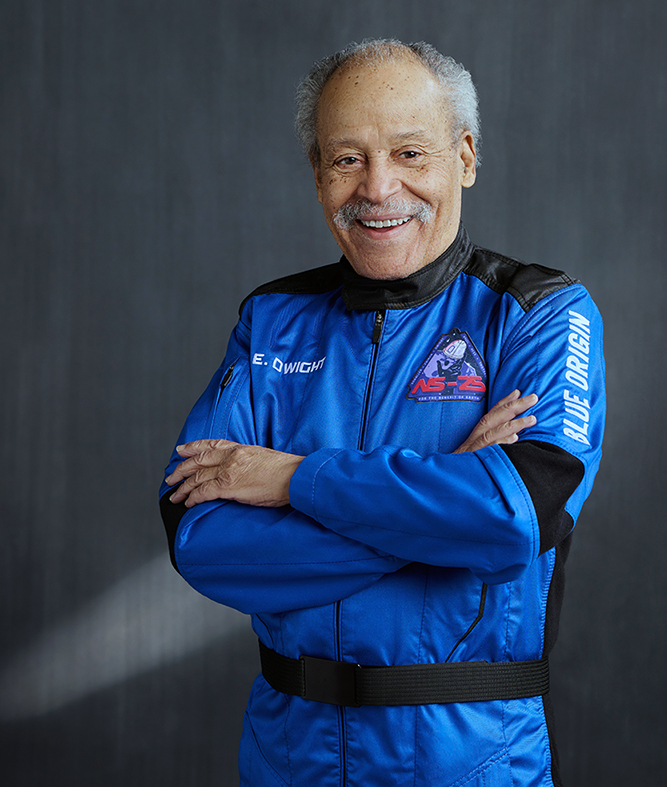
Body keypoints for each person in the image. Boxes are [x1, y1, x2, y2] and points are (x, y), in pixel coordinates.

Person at [160, 38, 605, 787]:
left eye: (409, 153)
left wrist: (293, 479)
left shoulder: (539, 314)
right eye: (347, 159)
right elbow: (199, 540)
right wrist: (442, 499)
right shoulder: (271, 321)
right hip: (288, 758)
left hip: (471, 758)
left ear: (465, 157)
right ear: (317, 172)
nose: (378, 186)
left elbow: (514, 517)